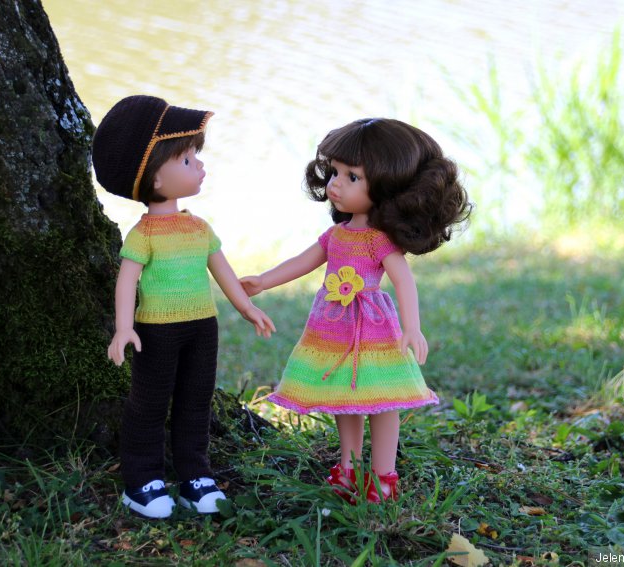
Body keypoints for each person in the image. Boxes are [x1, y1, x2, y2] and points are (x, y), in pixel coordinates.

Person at [241, 118, 471, 503]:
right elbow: (304, 261)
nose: (335, 184)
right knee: (341, 396)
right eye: (334, 172)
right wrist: (263, 281)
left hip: (374, 327)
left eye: (352, 177)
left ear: (387, 187)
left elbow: (404, 281)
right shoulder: (336, 235)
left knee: (382, 399)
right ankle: (347, 467)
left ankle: (383, 476)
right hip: (332, 328)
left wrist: (412, 327)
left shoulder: (379, 241)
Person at [91, 95, 275, 519]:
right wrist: (124, 327)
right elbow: (127, 280)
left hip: (202, 327)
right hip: (156, 330)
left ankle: (196, 476)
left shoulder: (199, 228)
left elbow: (221, 270)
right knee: (149, 402)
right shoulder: (143, 235)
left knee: (196, 400)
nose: (201, 165)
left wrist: (245, 307)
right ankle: (142, 480)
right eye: (188, 159)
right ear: (155, 177)